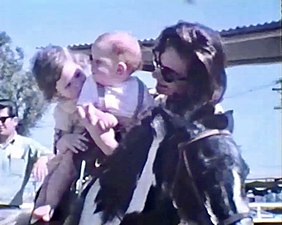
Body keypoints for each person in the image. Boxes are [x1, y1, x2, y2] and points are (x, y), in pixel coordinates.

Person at [78, 22, 251, 225]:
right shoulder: (154, 107)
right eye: (158, 65)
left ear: (194, 82)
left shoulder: (208, 134)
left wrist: (104, 139)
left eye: (167, 73)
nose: (155, 75)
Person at [30, 31, 154, 223]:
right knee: (61, 171)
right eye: (69, 85)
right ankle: (47, 207)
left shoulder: (101, 82)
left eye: (78, 75)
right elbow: (58, 142)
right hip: (82, 155)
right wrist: (66, 140)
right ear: (56, 93)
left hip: (118, 147)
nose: (78, 84)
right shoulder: (65, 110)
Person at [0, 99, 52, 224]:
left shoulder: (27, 145)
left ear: (15, 121)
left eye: (3, 119)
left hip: (12, 214)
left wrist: (42, 159)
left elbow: (51, 155)